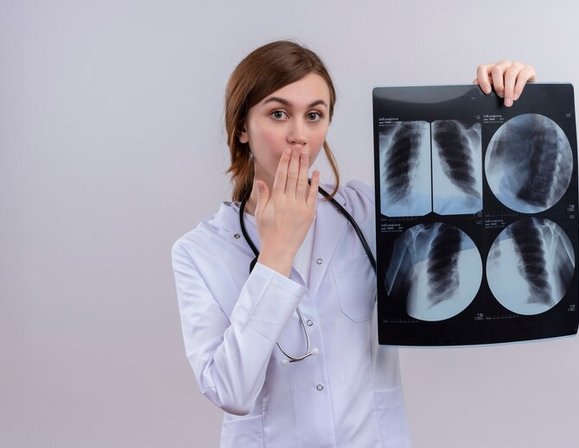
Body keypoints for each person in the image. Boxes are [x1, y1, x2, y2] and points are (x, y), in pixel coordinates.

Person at [171, 40, 536, 447]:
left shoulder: (365, 211)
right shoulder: (199, 252)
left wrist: (498, 103)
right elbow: (230, 391)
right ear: (241, 127)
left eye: (314, 115)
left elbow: (479, 220)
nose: (299, 136)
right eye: (278, 114)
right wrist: (277, 254)